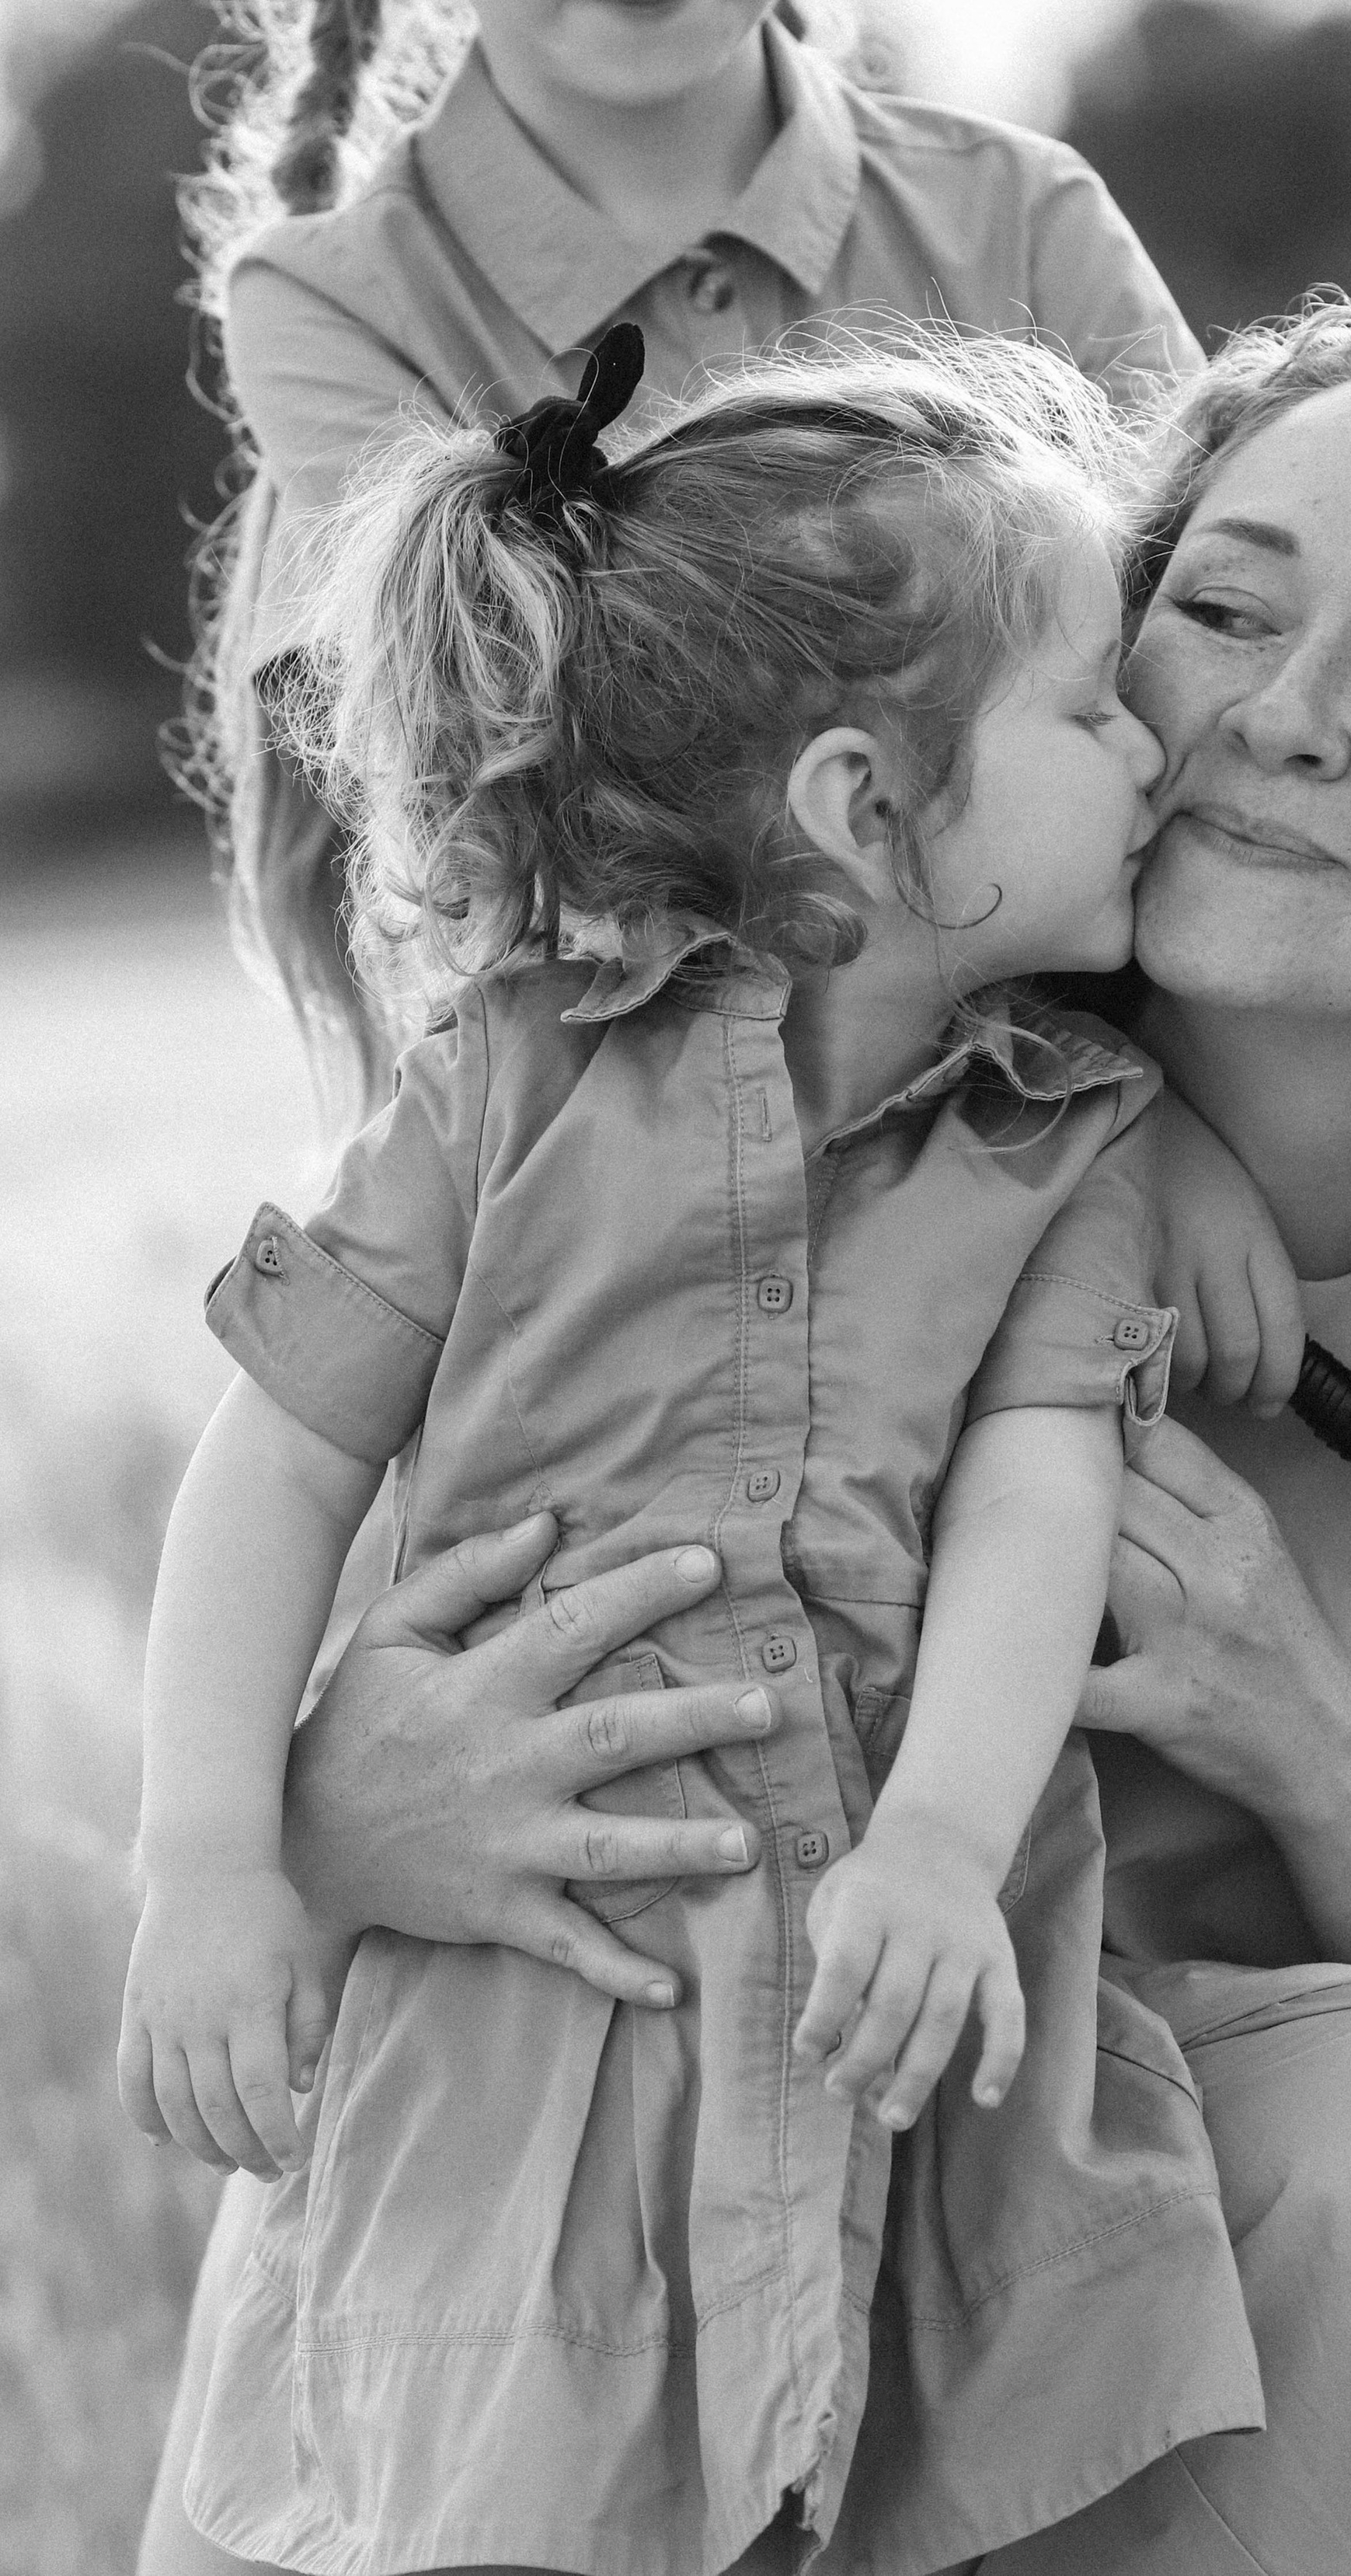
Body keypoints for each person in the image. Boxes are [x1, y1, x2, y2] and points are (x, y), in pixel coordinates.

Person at [148, 253, 1351, 2576]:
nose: (1274, 718)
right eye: (1217, 612)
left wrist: (1313, 1745)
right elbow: (333, 1523)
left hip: (1237, 2376)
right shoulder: (737, 1140)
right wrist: (332, 1815)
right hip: (586, 2280)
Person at [124, 333, 1267, 2575]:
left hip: (865, 1986)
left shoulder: (1062, 1140)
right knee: (507, 2482)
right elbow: (272, 1471)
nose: (1157, 746)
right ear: (864, 803)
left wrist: (941, 1840)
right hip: (530, 2013)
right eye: (1088, 709)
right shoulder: (509, 1089)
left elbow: (1035, 1495)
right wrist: (208, 1860)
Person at [189, 0, 1202, 1117]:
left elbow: (1195, 701)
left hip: (1087, 1129)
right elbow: (524, 855)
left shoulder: (1026, 217)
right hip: (626, 1177)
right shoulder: (335, 307)